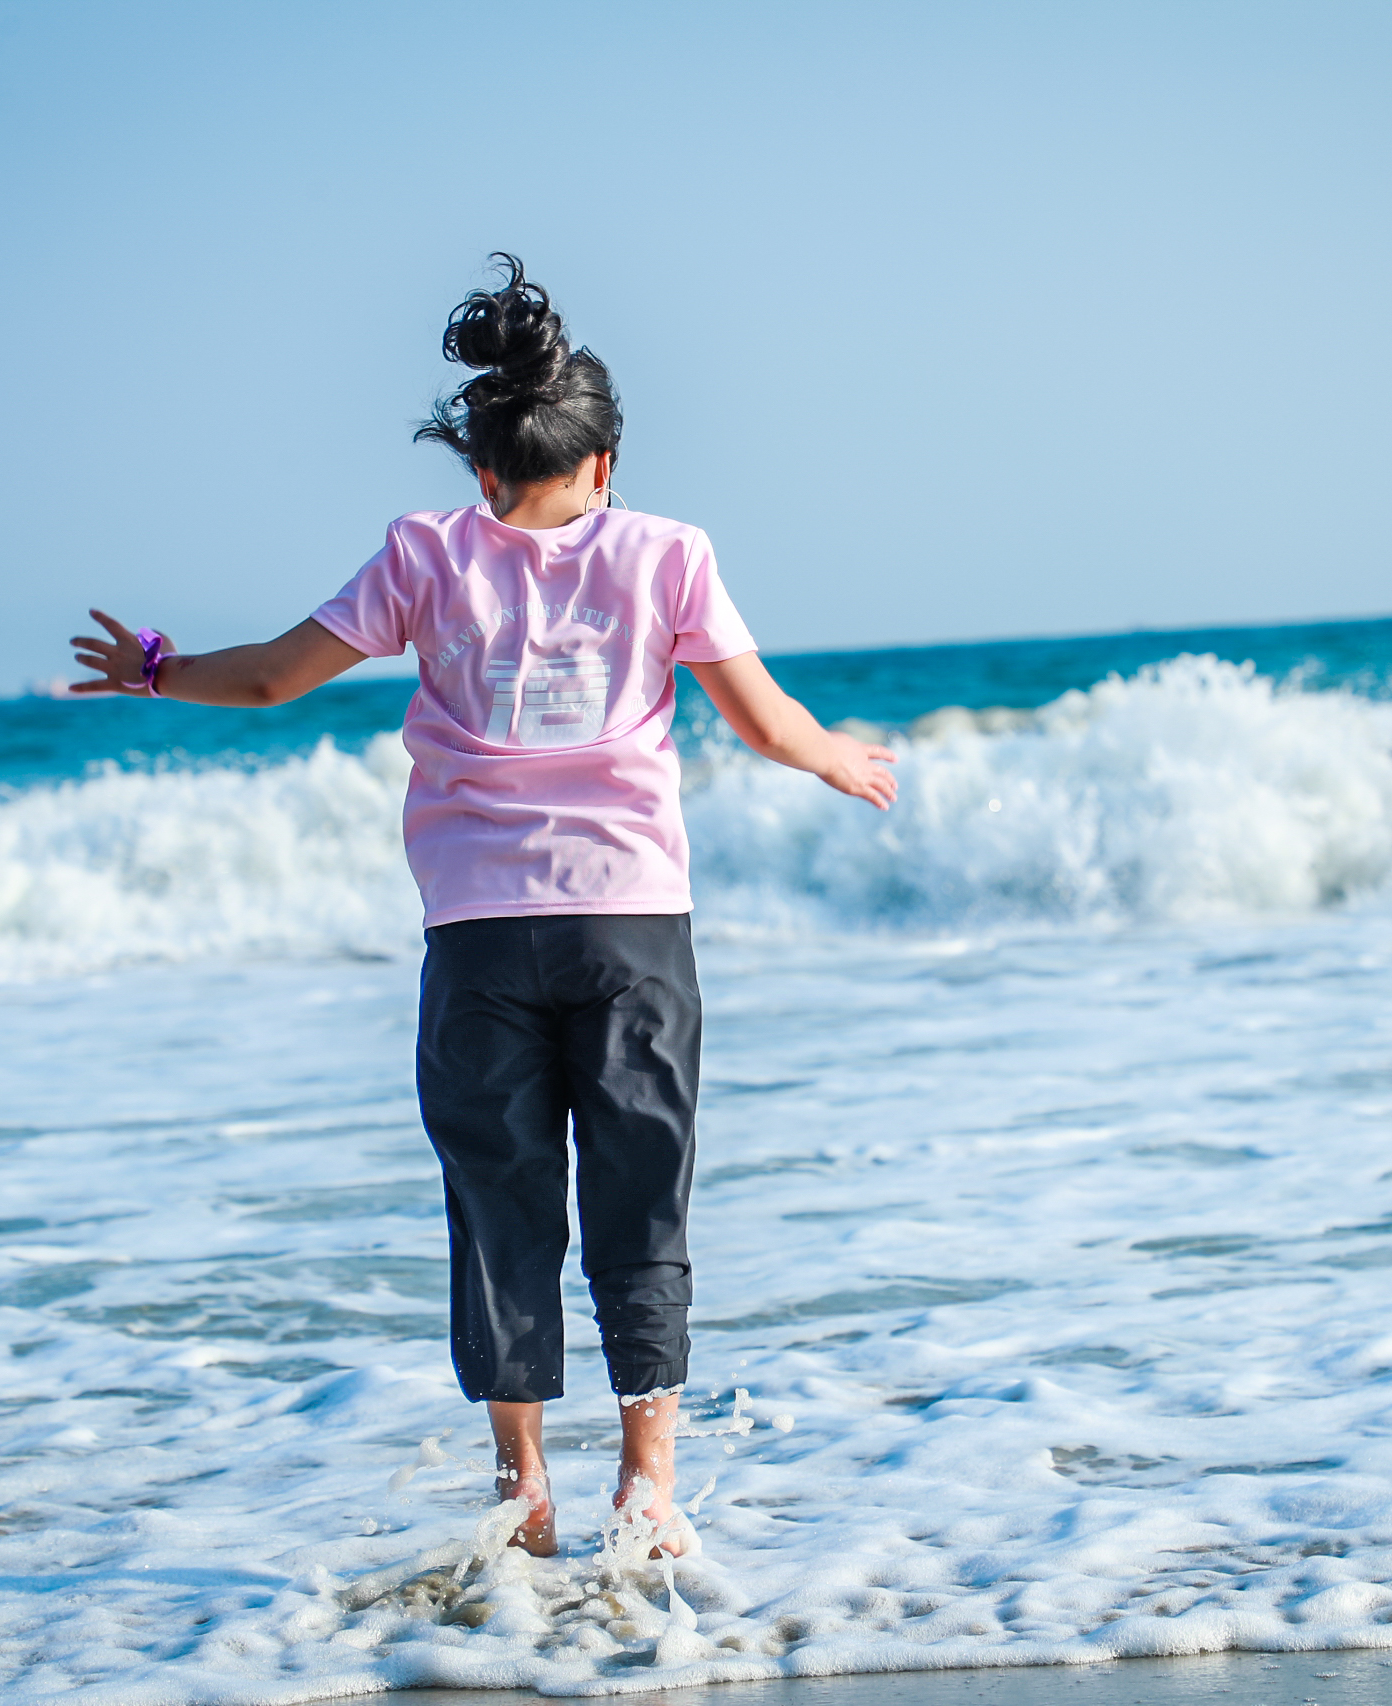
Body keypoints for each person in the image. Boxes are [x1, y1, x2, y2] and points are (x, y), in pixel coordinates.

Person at [67, 254, 896, 1558]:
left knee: (500, 1207)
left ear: (484, 468)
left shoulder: (426, 553)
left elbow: (278, 678)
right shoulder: (669, 554)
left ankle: (524, 1495)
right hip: (631, 931)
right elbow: (764, 721)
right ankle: (649, 1487)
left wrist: (158, 669)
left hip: (477, 942)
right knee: (642, 1195)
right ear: (605, 462)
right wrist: (837, 756)